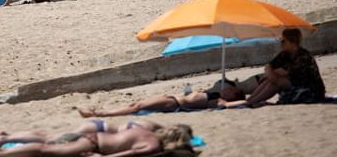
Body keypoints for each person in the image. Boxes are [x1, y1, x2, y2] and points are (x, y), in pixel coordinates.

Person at [228, 28, 326, 107]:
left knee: (276, 82)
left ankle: (250, 102)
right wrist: (273, 72)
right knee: (270, 80)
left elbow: (281, 74)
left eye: (283, 40)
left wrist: (273, 73)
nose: (281, 43)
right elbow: (268, 67)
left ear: (292, 42)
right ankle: (250, 100)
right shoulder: (285, 54)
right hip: (294, 84)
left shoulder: (303, 56)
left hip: (310, 89)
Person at [0, 124, 193, 157]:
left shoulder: (147, 130)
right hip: (93, 145)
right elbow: (130, 154)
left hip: (92, 137)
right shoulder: (154, 145)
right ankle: (1, 154)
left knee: (47, 140)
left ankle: (4, 145)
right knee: (45, 149)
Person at [77, 80, 244, 118]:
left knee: (137, 106)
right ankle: (99, 113)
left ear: (233, 95)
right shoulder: (216, 95)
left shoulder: (221, 102)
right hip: (171, 99)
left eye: (231, 89)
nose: (228, 88)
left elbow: (242, 103)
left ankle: (98, 114)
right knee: (135, 105)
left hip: (174, 103)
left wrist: (257, 101)